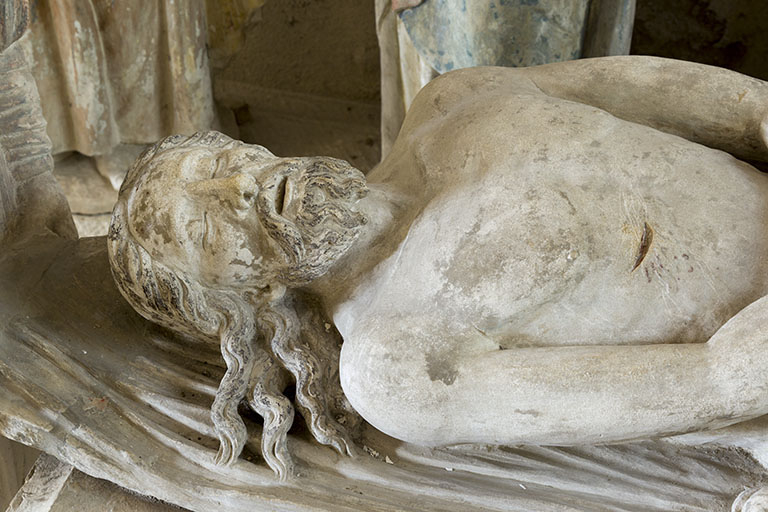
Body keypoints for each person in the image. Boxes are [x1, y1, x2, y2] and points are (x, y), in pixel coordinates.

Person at [108, 56, 768, 477]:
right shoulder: (392, 362)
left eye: (218, 169)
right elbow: (722, 381)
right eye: (209, 226)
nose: (240, 193)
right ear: (241, 298)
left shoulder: (453, 98)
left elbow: (733, 109)